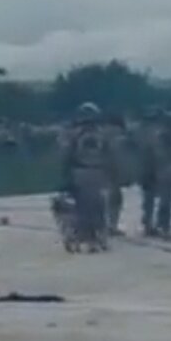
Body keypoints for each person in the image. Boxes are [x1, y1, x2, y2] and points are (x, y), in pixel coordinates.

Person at [61, 102, 118, 253]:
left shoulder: (74, 134)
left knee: (85, 207)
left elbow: (67, 156)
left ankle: (87, 237)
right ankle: (94, 238)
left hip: (82, 171)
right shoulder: (101, 134)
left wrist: (66, 174)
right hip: (94, 172)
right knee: (95, 207)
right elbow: (110, 155)